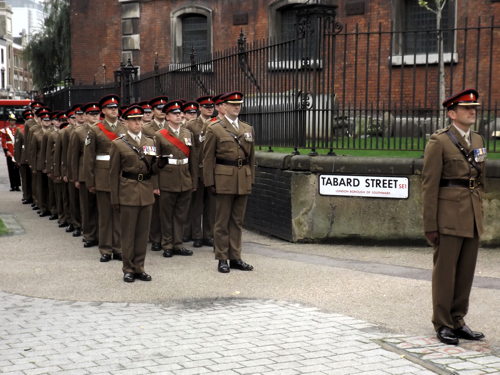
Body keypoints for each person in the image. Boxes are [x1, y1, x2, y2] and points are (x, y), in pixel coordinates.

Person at [422, 88, 486, 346]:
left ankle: (458, 320)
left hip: (471, 214)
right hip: (448, 215)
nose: (472, 112)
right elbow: (429, 185)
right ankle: (443, 323)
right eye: (466, 108)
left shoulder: (479, 140)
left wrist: (479, 211)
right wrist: (430, 224)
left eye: (474, 108)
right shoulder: (439, 142)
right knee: (445, 272)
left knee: (466, 272)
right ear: (452, 113)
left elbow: (480, 180)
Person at [203, 91, 255, 273]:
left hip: (243, 179)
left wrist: (251, 179)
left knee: (237, 221)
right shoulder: (215, 128)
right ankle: (222, 258)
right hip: (223, 179)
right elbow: (208, 158)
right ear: (223, 106)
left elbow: (252, 158)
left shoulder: (247, 128)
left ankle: (236, 257)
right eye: (232, 105)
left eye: (239, 104)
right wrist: (209, 182)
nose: (236, 107)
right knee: (221, 221)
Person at [110, 105, 158, 283]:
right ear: (126, 122)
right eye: (133, 120)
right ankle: (128, 268)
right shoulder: (118, 144)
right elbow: (113, 173)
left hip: (145, 191)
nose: (137, 123)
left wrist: (159, 166)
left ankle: (140, 267)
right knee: (128, 233)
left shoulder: (150, 142)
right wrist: (115, 199)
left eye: (139, 120)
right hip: (127, 191)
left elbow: (152, 169)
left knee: (142, 233)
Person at [83, 94, 125, 262]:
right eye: (110, 108)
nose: (114, 111)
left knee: (119, 213)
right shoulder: (95, 129)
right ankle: (106, 249)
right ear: (103, 111)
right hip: (103, 176)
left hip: (122, 176)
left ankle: (118, 247)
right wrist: (91, 180)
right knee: (105, 214)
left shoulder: (124, 127)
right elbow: (89, 158)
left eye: (116, 108)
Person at [155, 100, 197, 258]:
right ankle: (167, 244)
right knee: (166, 215)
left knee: (181, 214)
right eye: (175, 113)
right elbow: (155, 162)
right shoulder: (159, 135)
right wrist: (156, 184)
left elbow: (193, 158)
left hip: (184, 177)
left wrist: (193, 180)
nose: (179, 116)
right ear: (167, 117)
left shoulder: (187, 133)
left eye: (180, 113)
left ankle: (178, 244)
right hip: (167, 178)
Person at [184, 96, 216, 248]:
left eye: (211, 106)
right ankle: (196, 235)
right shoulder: (191, 125)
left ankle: (208, 235)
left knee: (211, 205)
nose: (209, 108)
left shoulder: (217, 124)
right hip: (198, 169)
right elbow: (191, 150)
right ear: (200, 108)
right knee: (196, 205)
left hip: (212, 170)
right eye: (206, 106)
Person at [143, 96, 168, 252]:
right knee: (156, 209)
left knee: (168, 209)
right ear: (152, 111)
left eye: (164, 108)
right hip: (155, 172)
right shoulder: (146, 129)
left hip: (171, 172)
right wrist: (154, 182)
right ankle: (156, 238)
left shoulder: (171, 126)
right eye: (159, 109)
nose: (162, 111)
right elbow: (149, 159)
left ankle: (168, 238)